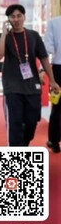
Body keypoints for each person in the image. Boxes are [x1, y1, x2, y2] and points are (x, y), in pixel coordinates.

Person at [0, 4, 59, 147]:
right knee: (15, 123)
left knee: (31, 121)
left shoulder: (33, 36)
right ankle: (16, 154)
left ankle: (24, 144)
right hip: (12, 88)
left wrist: (52, 81)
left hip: (32, 87)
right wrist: (4, 34)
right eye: (12, 17)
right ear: (8, 19)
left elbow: (44, 59)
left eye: (19, 16)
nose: (16, 19)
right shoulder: (4, 37)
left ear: (24, 17)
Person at [43, 15, 61, 153]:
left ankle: (54, 141)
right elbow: (47, 47)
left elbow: (48, 47)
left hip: (58, 68)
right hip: (58, 68)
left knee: (57, 106)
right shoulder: (53, 23)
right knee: (57, 104)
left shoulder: (54, 23)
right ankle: (54, 140)